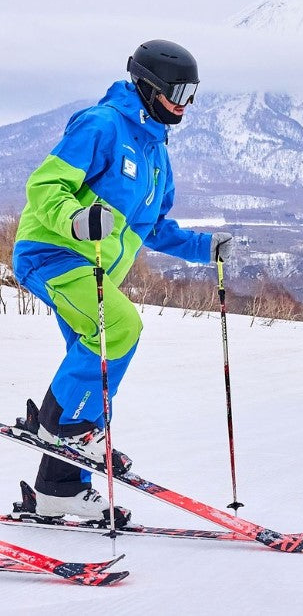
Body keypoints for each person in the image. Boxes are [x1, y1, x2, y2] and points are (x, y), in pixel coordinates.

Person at [12, 39, 234, 522]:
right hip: (53, 252)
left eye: (192, 92)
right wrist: (74, 217)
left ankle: (60, 486)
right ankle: (62, 429)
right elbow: (46, 185)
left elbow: (152, 227)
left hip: (92, 270)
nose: (184, 101)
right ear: (148, 85)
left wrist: (205, 247)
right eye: (177, 89)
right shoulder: (102, 125)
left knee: (97, 369)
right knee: (120, 328)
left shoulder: (156, 155)